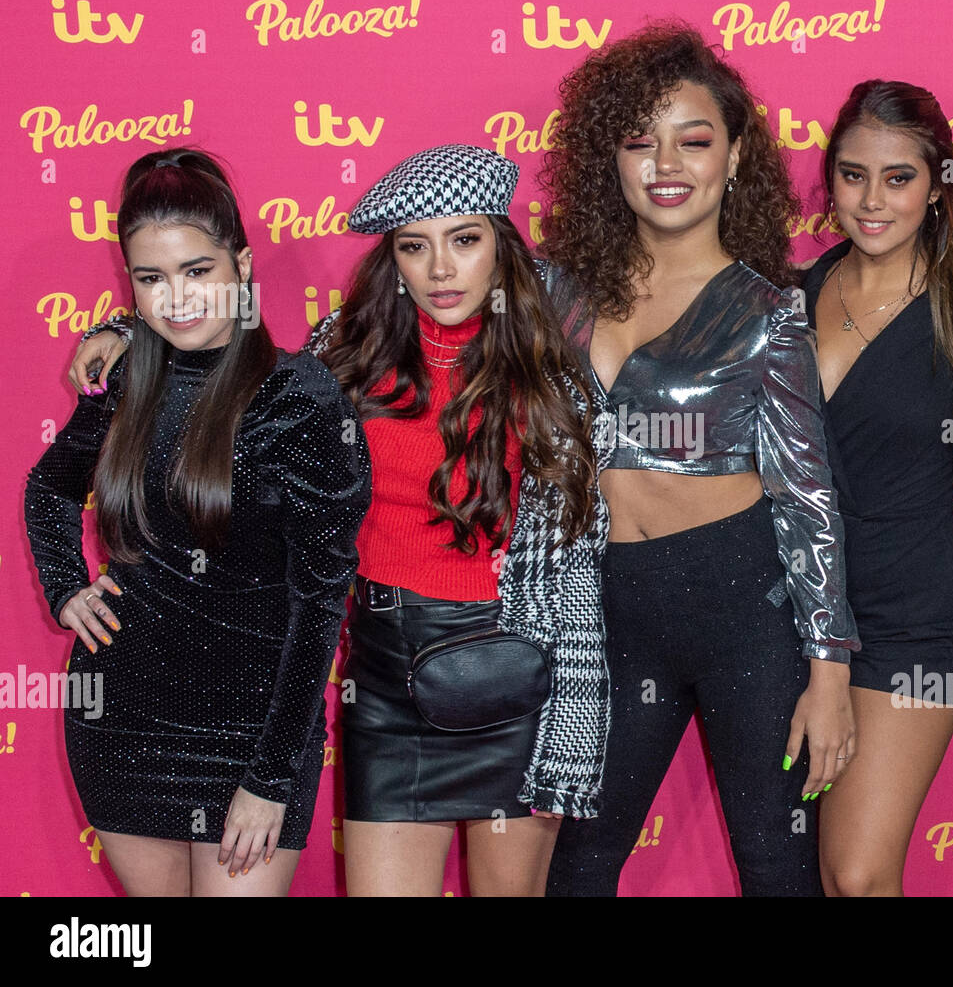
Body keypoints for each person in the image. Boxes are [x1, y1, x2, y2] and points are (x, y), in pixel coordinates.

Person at [72, 145, 610, 897]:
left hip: (507, 674)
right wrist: (126, 335)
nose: (442, 269)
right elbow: (226, 357)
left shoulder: (550, 378)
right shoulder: (343, 354)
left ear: (502, 248)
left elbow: (574, 570)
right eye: (414, 247)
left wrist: (573, 729)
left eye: (465, 240)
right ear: (392, 261)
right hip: (381, 680)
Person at [538, 24, 859, 897]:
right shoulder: (552, 287)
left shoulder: (768, 312)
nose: (665, 163)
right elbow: (399, 330)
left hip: (743, 610)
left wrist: (829, 669)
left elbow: (808, 496)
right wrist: (123, 334)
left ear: (735, 151)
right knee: (576, 868)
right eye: (639, 141)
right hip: (603, 610)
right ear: (610, 159)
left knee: (776, 867)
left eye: (694, 138)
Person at [25, 148, 370, 896]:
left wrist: (271, 778)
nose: (175, 298)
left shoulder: (301, 401)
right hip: (121, 719)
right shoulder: (123, 380)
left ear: (241, 265)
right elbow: (49, 488)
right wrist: (64, 588)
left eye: (197, 271)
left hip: (255, 732)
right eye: (150, 279)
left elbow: (318, 608)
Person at [800, 81, 953, 896]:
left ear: (937, 184)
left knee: (857, 874)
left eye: (898, 178)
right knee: (798, 872)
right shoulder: (786, 297)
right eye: (853, 175)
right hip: (781, 615)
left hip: (905, 624)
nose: (872, 199)